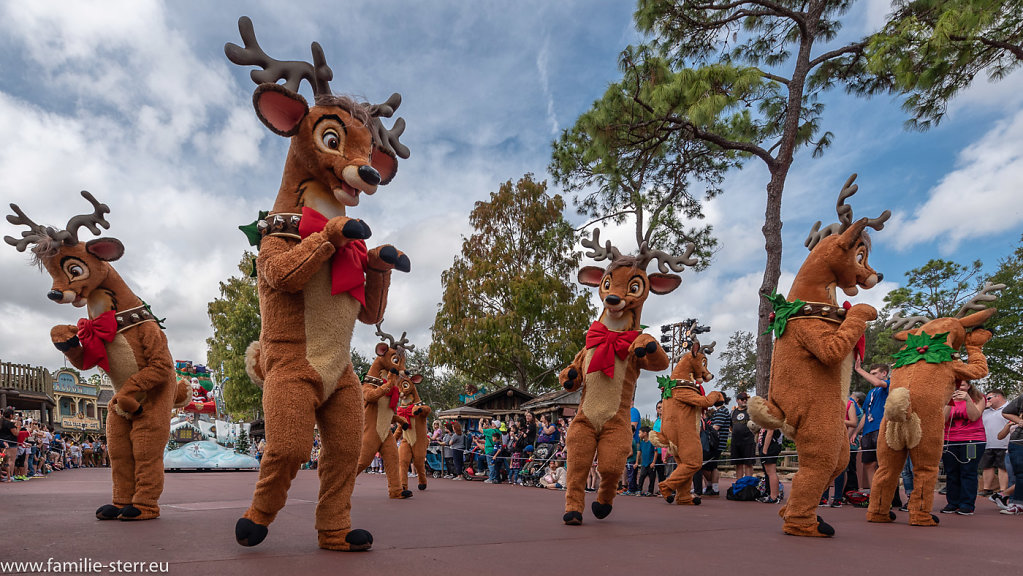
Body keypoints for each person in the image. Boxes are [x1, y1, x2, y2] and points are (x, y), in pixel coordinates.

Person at [941, 379, 987, 515]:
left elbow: (974, 417)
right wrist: (950, 401)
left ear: (968, 386)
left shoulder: (978, 397)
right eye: (955, 385)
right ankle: (952, 502)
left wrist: (967, 400)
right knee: (951, 472)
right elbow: (943, 419)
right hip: (950, 440)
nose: (958, 387)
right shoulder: (946, 398)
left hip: (972, 440)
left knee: (968, 471)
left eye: (961, 385)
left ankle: (967, 504)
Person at [855, 359, 890, 492]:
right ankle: (874, 495)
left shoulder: (888, 384)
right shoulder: (870, 393)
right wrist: (856, 433)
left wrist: (859, 369)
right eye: (871, 373)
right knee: (868, 464)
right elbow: (865, 414)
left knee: (882, 464)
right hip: (867, 432)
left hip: (880, 429)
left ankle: (886, 495)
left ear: (884, 373)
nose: (872, 376)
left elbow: (877, 382)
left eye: (875, 373)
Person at [993, 392, 1022, 515]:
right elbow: (1006, 412)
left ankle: (1003, 495)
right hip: (1019, 443)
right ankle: (1016, 503)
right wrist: (1019, 420)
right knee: (1020, 475)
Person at [980, 389, 1010, 496]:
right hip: (988, 443)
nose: (987, 400)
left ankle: (1003, 490)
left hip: (1005, 443)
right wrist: (984, 407)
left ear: (998, 397)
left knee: (1003, 467)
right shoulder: (985, 411)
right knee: (987, 466)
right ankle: (986, 488)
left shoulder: (1009, 408)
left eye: (989, 398)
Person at [731, 392, 756, 480]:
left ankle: (748, 485)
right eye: (742, 399)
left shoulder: (751, 412)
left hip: (748, 441)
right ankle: (739, 484)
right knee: (738, 464)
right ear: (737, 400)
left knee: (748, 464)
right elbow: (731, 426)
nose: (744, 400)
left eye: (746, 399)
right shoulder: (733, 412)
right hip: (736, 442)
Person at [756, 426, 784, 503]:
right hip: (768, 446)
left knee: (771, 472)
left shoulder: (772, 417)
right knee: (769, 473)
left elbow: (770, 432)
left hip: (770, 447)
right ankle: (775, 494)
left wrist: (765, 451)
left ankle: (774, 497)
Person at [636, 426, 657, 496]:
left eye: (639, 433)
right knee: (641, 477)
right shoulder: (641, 443)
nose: (638, 434)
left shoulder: (652, 442)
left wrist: (653, 462)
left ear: (645, 433)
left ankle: (650, 491)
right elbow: (639, 452)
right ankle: (639, 490)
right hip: (644, 464)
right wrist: (636, 462)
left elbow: (655, 452)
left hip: (650, 464)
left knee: (652, 478)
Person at [1, 408, 18, 482]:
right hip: (11, 442)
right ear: (11, 415)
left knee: (4, 460)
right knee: (11, 460)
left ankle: (6, 475)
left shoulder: (1, 422)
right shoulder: (10, 424)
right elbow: (16, 433)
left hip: (2, 442)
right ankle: (10, 475)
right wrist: (18, 427)